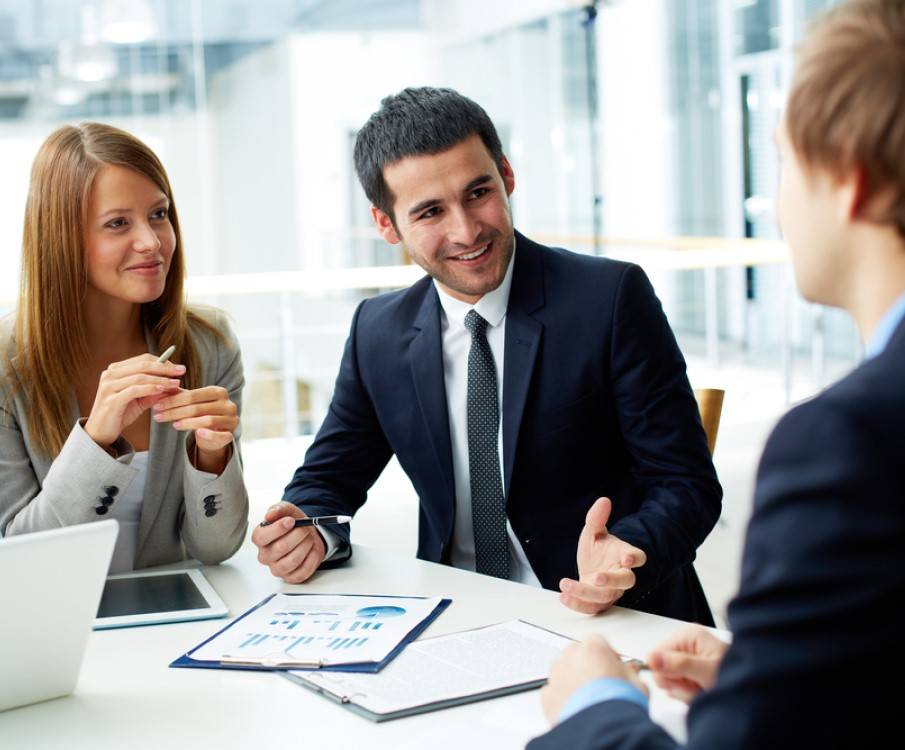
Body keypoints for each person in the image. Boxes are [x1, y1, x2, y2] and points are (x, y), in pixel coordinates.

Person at [531, 0, 905, 746]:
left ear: (850, 181)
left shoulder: (847, 441)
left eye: (783, 159)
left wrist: (594, 704)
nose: (775, 202)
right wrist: (776, 674)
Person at [253, 87, 721, 624]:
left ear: (507, 175)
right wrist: (307, 533)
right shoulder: (377, 332)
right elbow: (327, 481)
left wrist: (628, 551)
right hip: (456, 616)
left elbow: (685, 483)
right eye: (431, 211)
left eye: (478, 193)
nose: (467, 230)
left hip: (608, 615)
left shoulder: (610, 299)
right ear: (386, 225)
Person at [0, 123, 249, 572]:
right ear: (62, 238)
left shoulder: (209, 344)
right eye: (117, 223)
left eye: (159, 214)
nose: (152, 242)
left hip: (170, 610)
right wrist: (96, 440)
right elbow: (18, 557)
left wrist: (213, 455)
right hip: (53, 612)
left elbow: (216, 548)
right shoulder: (7, 365)